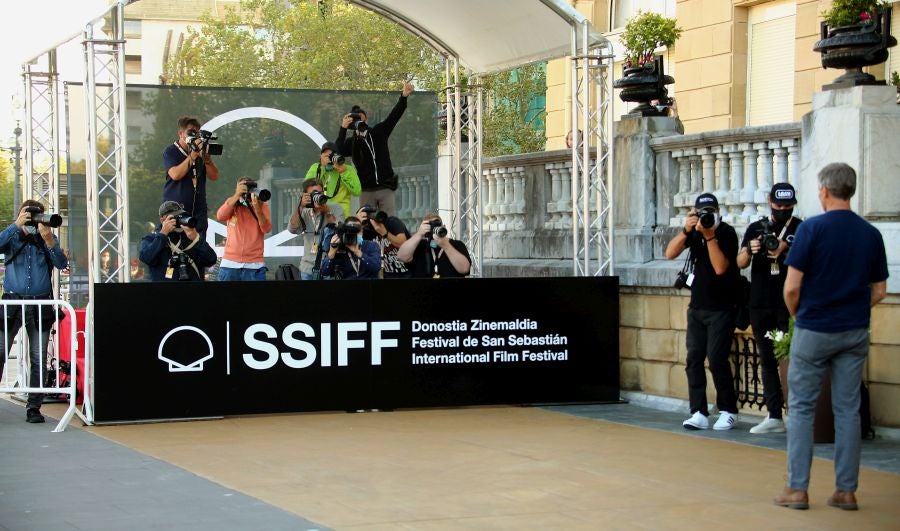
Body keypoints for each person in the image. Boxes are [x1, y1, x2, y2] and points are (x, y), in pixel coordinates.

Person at [773, 163, 888, 511]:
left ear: (824, 190)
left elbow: (791, 287)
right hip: (853, 330)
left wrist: (800, 315)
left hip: (815, 326)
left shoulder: (811, 230)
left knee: (803, 408)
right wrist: (854, 307)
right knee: (847, 410)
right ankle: (846, 490)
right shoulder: (871, 234)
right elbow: (880, 290)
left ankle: (797, 489)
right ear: (850, 190)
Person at [665, 193, 741, 431]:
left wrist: (710, 237)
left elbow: (720, 268)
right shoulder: (695, 231)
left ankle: (728, 410)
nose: (706, 216)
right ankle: (698, 411)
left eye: (710, 211)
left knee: (717, 359)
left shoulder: (726, 233)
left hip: (723, 307)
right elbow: (670, 253)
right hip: (697, 307)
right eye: (701, 213)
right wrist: (687, 231)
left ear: (718, 211)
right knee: (693, 359)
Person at [738, 183, 802, 434]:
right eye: (779, 206)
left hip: (789, 304)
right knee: (766, 359)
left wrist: (788, 248)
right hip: (760, 303)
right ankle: (774, 415)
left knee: (792, 359)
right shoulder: (756, 227)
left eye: (788, 206)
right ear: (769, 202)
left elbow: (811, 261)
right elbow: (740, 262)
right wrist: (751, 250)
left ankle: (797, 414)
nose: (783, 210)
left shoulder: (801, 228)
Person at [0, 200, 68, 423]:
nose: (31, 219)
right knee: (1, 351)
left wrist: (49, 239)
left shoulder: (46, 237)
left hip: (40, 303)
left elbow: (61, 263)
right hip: (12, 303)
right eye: (27, 215)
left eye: (35, 215)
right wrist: (14, 225)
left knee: (38, 356)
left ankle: (34, 407)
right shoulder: (11, 237)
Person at [335, 80, 414, 215]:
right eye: (356, 121)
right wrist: (343, 128)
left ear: (366, 120)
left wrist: (404, 96)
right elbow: (338, 151)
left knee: (389, 223)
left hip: (386, 187)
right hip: (366, 190)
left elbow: (394, 117)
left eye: (362, 119)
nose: (360, 123)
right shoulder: (352, 142)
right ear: (351, 125)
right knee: (367, 225)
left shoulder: (378, 132)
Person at [162, 116, 220, 234]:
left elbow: (214, 176)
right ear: (180, 133)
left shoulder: (200, 151)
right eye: (191, 133)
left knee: (198, 245)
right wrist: (193, 155)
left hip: (199, 209)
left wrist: (207, 161)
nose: (194, 136)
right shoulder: (171, 151)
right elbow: (175, 174)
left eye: (197, 133)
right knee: (176, 244)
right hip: (176, 209)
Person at [140, 200, 217, 281]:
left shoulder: (189, 237)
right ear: (162, 220)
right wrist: (163, 234)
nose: (177, 220)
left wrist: (196, 239)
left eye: (181, 215)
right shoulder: (151, 238)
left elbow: (211, 260)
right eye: (174, 217)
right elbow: (146, 258)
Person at [215, 177, 272, 281]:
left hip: (254, 265)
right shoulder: (232, 202)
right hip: (230, 264)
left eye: (250, 187)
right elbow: (220, 216)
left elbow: (266, 229)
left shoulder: (262, 205)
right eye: (243, 187)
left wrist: (258, 209)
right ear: (237, 188)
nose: (246, 190)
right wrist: (237, 195)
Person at [288, 178, 345, 280]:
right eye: (313, 194)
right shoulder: (304, 212)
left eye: (320, 192)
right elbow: (293, 229)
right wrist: (300, 206)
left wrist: (327, 212)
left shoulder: (336, 208)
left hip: (329, 266)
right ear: (305, 195)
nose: (317, 196)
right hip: (307, 268)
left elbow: (341, 233)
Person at [398, 213, 471, 278]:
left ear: (444, 227)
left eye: (437, 226)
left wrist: (445, 245)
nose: (433, 230)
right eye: (430, 228)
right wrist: (419, 234)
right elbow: (402, 257)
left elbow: (464, 269)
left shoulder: (457, 245)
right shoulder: (420, 246)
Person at [304, 142, 360, 218]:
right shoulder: (316, 167)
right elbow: (307, 188)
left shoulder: (348, 169)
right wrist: (323, 167)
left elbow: (357, 191)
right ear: (321, 156)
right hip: (321, 212)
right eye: (326, 155)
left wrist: (343, 172)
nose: (329, 158)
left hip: (341, 214)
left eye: (331, 156)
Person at [366, 208, 411, 279]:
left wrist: (385, 233)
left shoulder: (392, 222)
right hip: (385, 275)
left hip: (405, 273)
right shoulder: (367, 230)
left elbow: (403, 243)